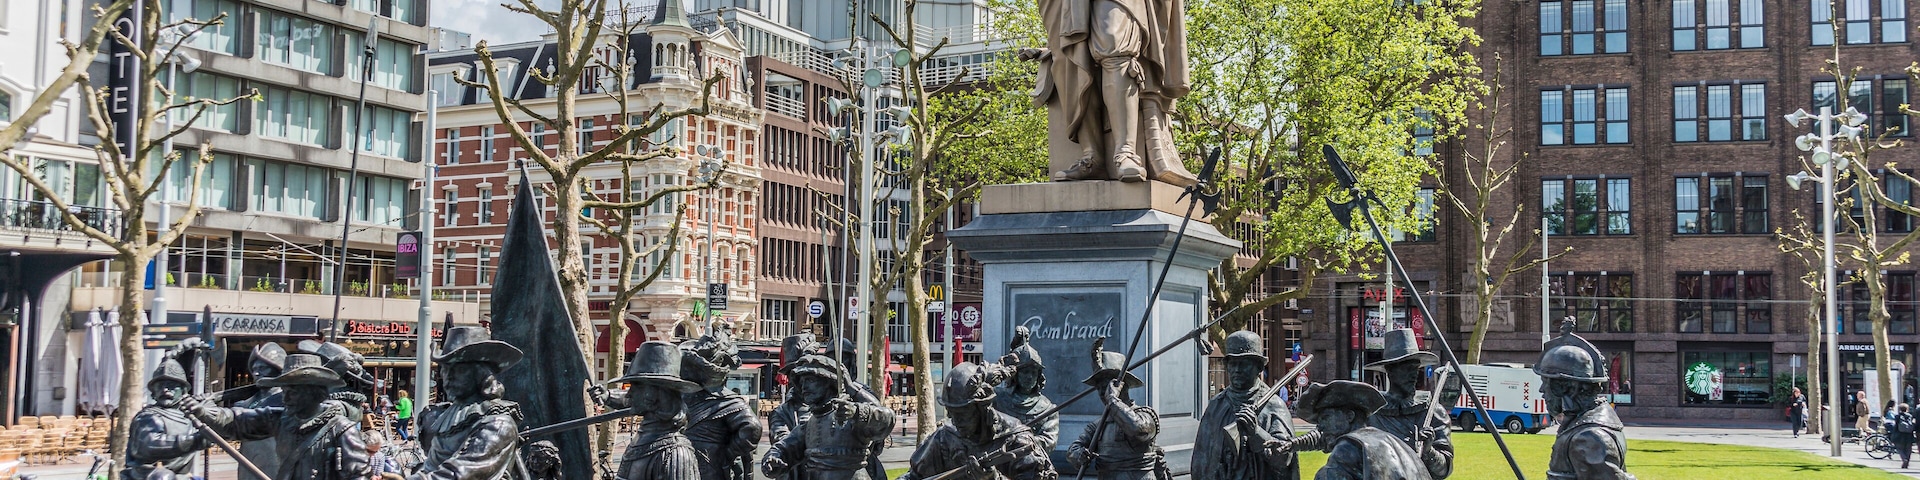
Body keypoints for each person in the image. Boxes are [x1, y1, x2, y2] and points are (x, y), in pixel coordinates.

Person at [194, 352, 373, 480]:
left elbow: (359, 475)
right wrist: (203, 412)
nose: (285, 399)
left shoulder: (341, 430)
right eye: (284, 392)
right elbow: (236, 421)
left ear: (313, 392)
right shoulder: (280, 419)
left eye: (292, 393)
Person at [898, 362, 1058, 480]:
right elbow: (914, 476)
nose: (955, 422)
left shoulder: (1017, 441)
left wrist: (993, 478)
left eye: (962, 415)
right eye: (951, 414)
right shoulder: (945, 437)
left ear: (982, 409)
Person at [411, 326, 529, 480]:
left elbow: (463, 472)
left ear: (480, 374)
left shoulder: (498, 423)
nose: (448, 377)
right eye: (445, 369)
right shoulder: (448, 417)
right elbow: (431, 467)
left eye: (458, 370)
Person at [762, 354, 897, 480]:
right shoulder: (809, 424)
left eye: (809, 380)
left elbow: (886, 419)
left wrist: (857, 411)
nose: (804, 387)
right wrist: (773, 457)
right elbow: (785, 447)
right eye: (802, 382)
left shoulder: (850, 415)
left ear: (827, 381)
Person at [1192, 331, 1297, 480]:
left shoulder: (1274, 406)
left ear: (1259, 367)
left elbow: (1285, 460)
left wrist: (1256, 433)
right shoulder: (1216, 405)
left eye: (1244, 363)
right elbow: (1200, 460)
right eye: (1232, 363)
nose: (1237, 369)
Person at [1536, 323, 1634, 480]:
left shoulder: (1589, 438)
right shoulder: (1584, 424)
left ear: (1568, 386)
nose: (1542, 390)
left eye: (1546, 383)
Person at [1066, 342, 1166, 480]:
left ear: (1122, 385)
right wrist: (1079, 455)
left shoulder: (1145, 415)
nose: (1102, 391)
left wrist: (1113, 400)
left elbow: (1138, 430)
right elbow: (1073, 449)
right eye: (1099, 387)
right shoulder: (1099, 425)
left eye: (1107, 385)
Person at [1362, 329, 1452, 479]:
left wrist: (1429, 451)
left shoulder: (1434, 412)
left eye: (1416, 368)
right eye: (1406, 368)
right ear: (1390, 370)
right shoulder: (1371, 413)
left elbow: (1444, 470)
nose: (1414, 374)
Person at [1294, 380, 1429, 480]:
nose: (1320, 427)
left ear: (1349, 416)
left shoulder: (1348, 448)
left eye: (1325, 418)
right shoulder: (1394, 442)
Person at [677, 328, 765, 480]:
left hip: (708, 466)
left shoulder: (729, 402)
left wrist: (729, 452)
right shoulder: (685, 395)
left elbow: (753, 428)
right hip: (683, 463)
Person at [611, 341, 704, 480]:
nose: (629, 394)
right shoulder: (643, 442)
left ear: (654, 394)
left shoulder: (675, 453)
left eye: (636, 386)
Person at [125, 355, 210, 480]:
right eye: (160, 386)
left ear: (183, 391)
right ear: (153, 393)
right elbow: (149, 445)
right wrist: (196, 440)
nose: (165, 390)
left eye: (171, 385)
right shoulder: (148, 416)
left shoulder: (190, 417)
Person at [994, 326, 1060, 451]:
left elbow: (1049, 441)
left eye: (1033, 372)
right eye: (1025, 372)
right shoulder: (997, 399)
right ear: (1015, 374)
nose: (1029, 377)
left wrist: (1024, 441)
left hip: (1033, 460)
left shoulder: (1048, 409)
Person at [230, 342, 287, 480]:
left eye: (262, 368)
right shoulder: (246, 403)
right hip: (248, 466)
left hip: (276, 466)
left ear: (278, 368)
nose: (256, 373)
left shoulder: (286, 400)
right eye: (254, 369)